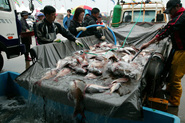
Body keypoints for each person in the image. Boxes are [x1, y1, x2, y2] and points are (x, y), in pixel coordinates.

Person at [140, 0, 185, 106]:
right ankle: (170, 91)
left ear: (177, 7)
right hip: (177, 49)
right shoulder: (178, 17)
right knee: (170, 71)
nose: (170, 13)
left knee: (175, 78)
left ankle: (174, 102)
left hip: (183, 51)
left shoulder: (181, 17)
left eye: (171, 11)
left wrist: (148, 43)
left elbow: (167, 29)